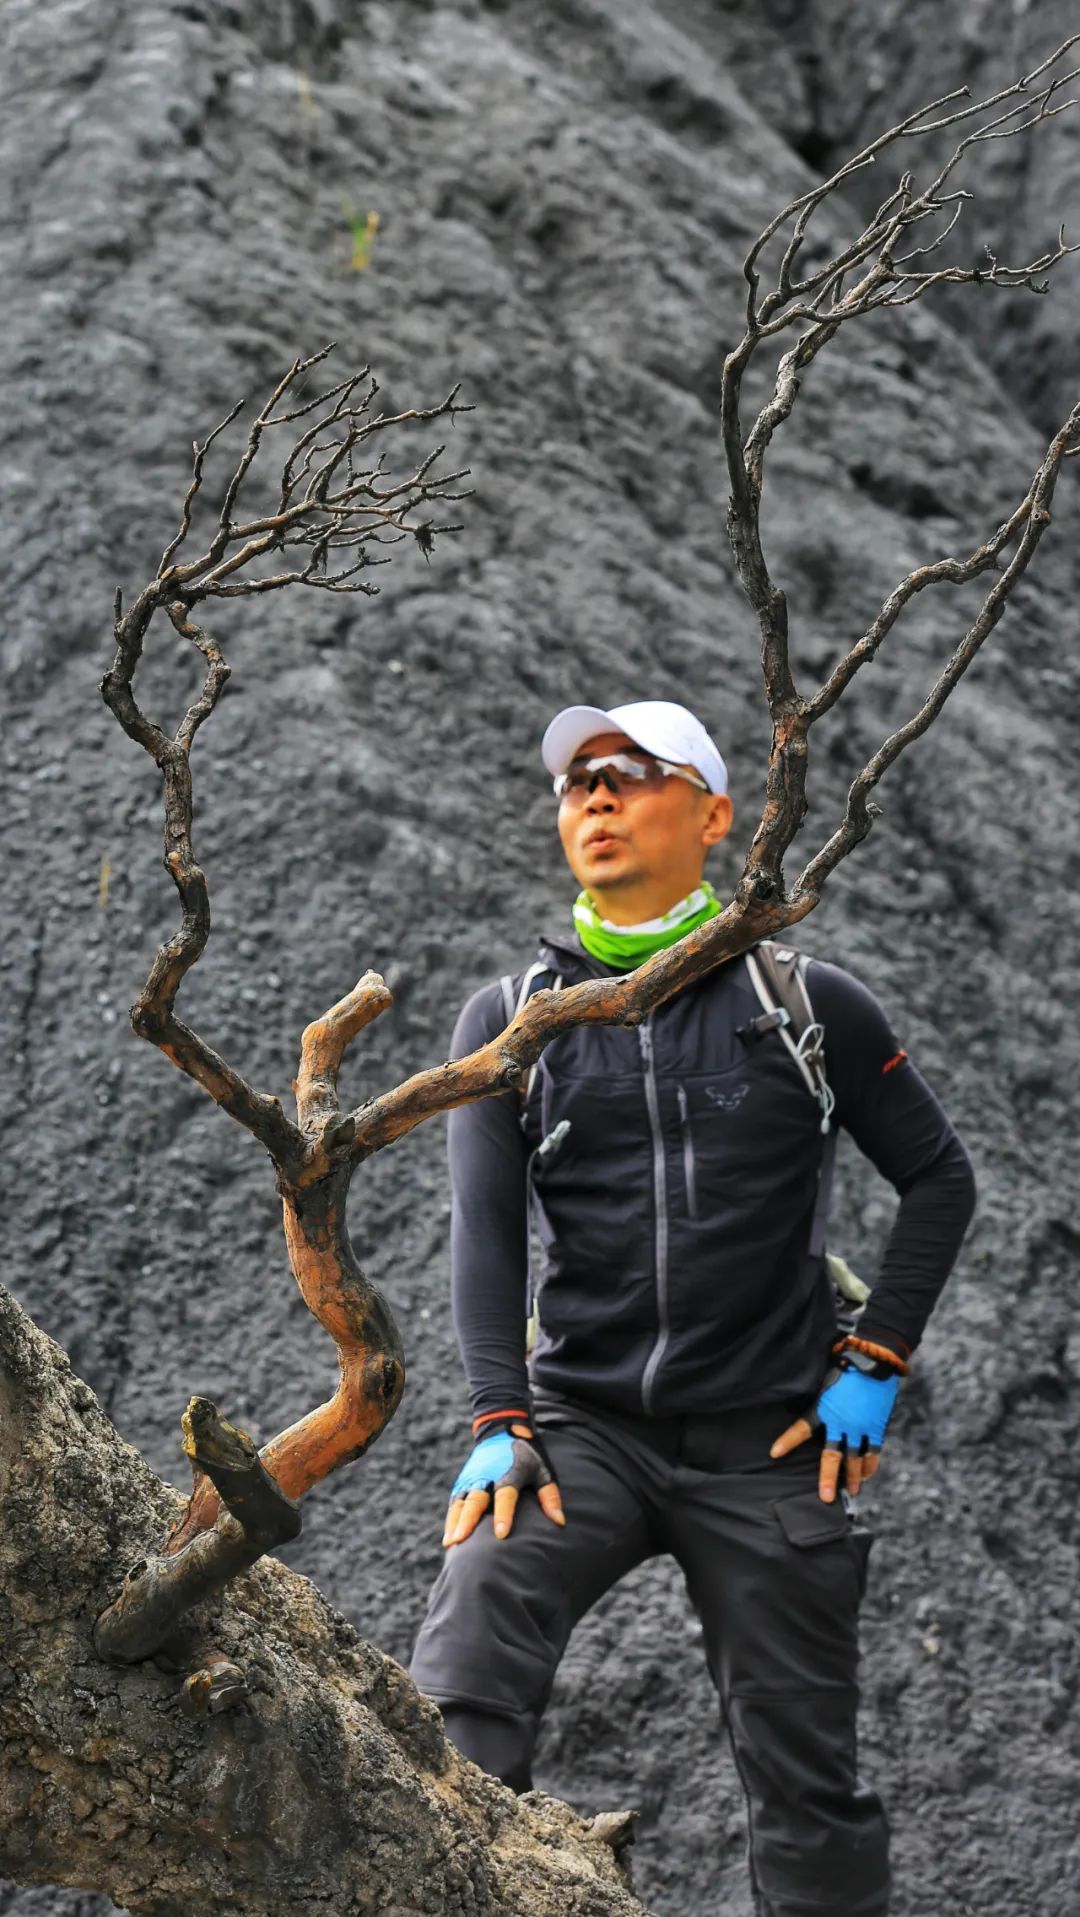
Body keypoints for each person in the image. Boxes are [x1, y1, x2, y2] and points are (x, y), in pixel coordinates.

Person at [410, 699, 976, 1917]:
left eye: (631, 774)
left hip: (771, 1443)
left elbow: (941, 1178)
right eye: (576, 784)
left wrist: (873, 1362)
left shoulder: (808, 1004)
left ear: (715, 814)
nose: (596, 799)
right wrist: (496, 1417)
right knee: (466, 1656)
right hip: (581, 1435)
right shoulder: (512, 1021)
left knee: (807, 1784)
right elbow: (488, 1234)